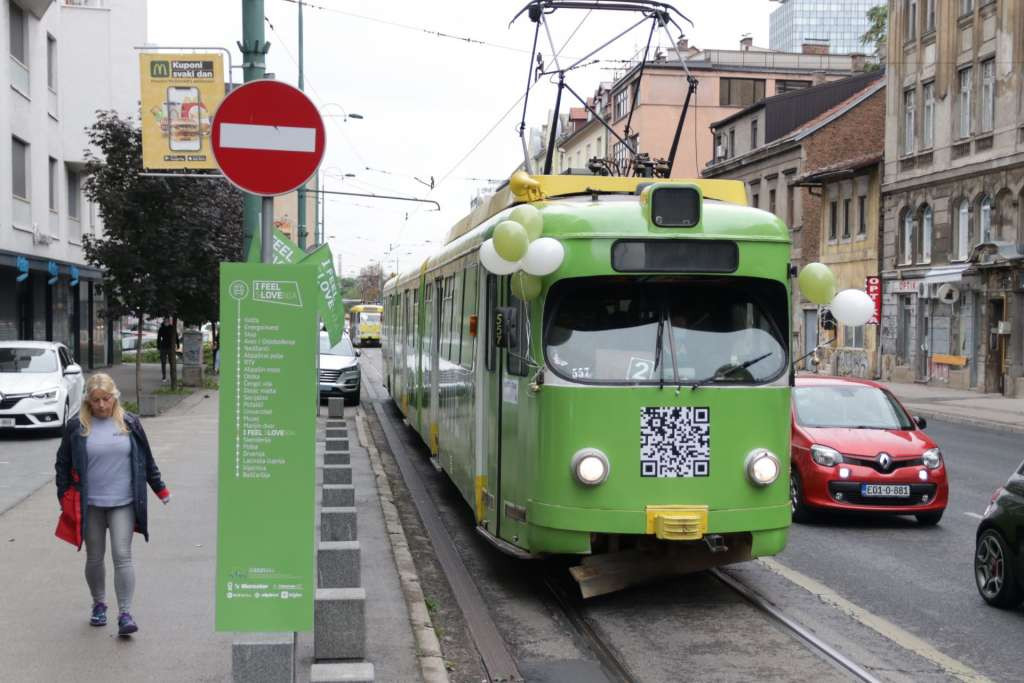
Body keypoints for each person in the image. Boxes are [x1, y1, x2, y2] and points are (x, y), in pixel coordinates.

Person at [54, 373, 171, 636]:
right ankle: (99, 604)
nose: (102, 405)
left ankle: (125, 613)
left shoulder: (130, 423)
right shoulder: (77, 427)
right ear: (89, 401)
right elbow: (62, 464)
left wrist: (159, 487)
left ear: (114, 396)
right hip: (91, 504)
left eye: (106, 399)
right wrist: (64, 496)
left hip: (124, 502)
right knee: (94, 557)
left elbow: (146, 460)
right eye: (96, 401)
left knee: (122, 554)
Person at [156, 317, 178, 383]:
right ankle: (164, 377)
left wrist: (177, 344)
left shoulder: (172, 328)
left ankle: (172, 376)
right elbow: (158, 338)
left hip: (171, 347)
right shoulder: (161, 328)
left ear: (169, 321)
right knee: (163, 363)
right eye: (165, 321)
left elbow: (176, 336)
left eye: (167, 321)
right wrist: (158, 347)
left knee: (172, 362)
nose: (166, 322)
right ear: (164, 321)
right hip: (163, 347)